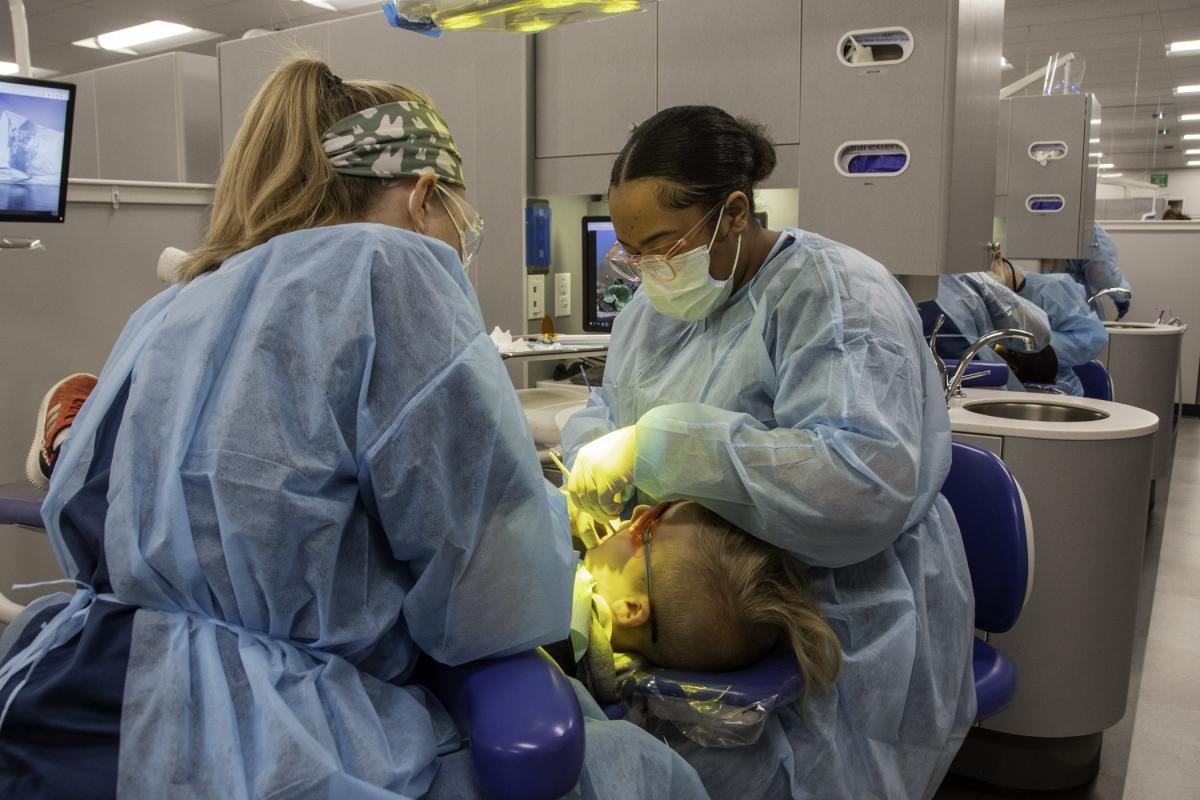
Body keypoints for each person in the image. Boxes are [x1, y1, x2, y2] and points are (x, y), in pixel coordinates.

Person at [0, 59, 709, 800]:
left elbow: (84, 502)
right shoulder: (387, 268)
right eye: (459, 221)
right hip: (256, 731)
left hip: (69, 693)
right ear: (424, 194)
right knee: (651, 775)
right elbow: (486, 593)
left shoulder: (181, 299)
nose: (458, 243)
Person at [562, 105, 976, 800]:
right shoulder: (651, 311)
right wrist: (592, 453)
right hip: (695, 611)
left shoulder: (839, 295)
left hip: (844, 611)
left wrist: (659, 447)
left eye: (662, 244)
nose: (647, 269)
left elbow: (861, 483)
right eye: (632, 251)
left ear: (732, 212)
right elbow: (607, 408)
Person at [557, 500, 841, 704]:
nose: (639, 512)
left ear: (631, 608)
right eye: (660, 507)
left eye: (647, 527)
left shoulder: (558, 628)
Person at [993, 256, 1108, 396]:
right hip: (1006, 391)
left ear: (998, 259)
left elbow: (1091, 340)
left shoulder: (1050, 289)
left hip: (1058, 392)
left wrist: (1033, 347)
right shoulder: (986, 298)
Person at [1061, 223, 1131, 320]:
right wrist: (1121, 296)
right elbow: (1101, 271)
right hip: (1074, 304)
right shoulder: (1085, 227)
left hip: (1037, 305)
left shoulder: (1037, 220)